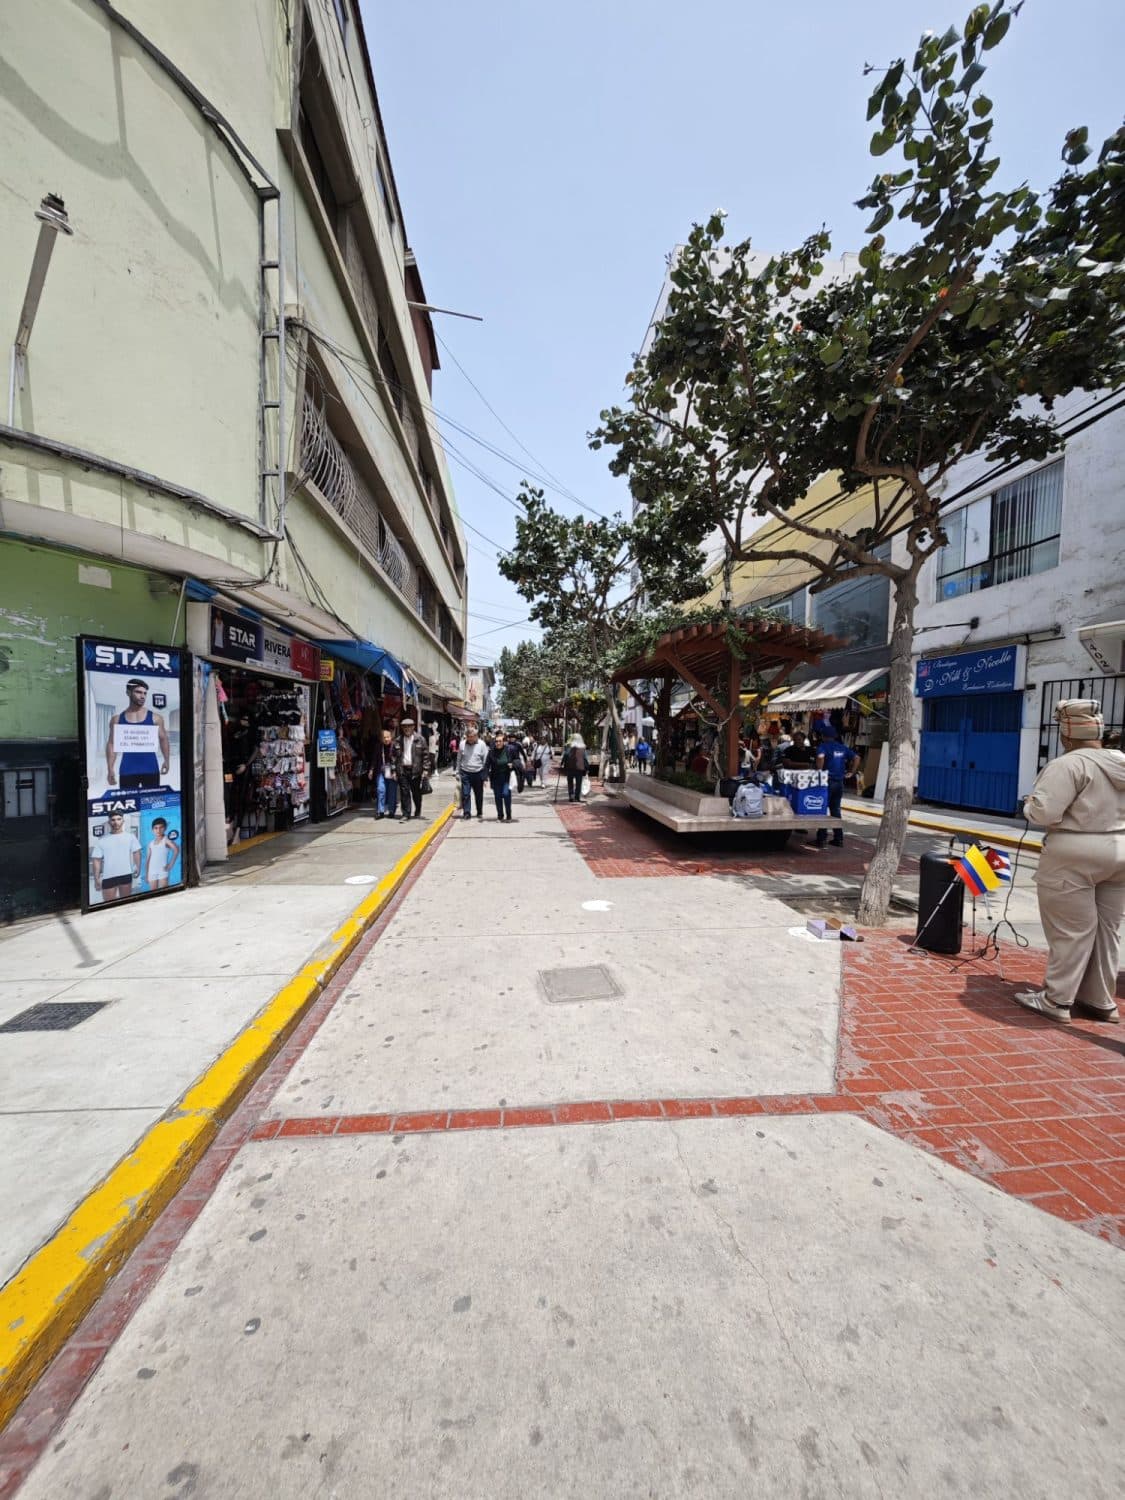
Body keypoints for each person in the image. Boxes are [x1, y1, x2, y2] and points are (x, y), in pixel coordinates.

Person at [1013, 700, 1125, 1025]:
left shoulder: (1068, 765)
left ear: (1066, 735)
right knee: (1108, 931)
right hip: (1119, 850)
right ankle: (1100, 1000)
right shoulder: (1121, 761)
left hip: (1075, 852)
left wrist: (1030, 805)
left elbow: (1045, 813)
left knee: (1071, 930)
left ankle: (1056, 999)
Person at [106, 678, 170, 791]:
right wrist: (110, 768)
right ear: (128, 693)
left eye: (145, 693)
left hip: (151, 769)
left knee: (151, 800)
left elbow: (163, 739)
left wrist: (167, 760)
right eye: (138, 692)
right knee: (128, 801)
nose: (142, 696)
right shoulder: (117, 720)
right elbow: (111, 744)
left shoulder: (156, 718)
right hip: (127, 770)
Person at [814, 731, 860, 849]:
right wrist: (852, 772)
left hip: (827, 781)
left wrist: (819, 771)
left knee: (822, 809)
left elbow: (820, 757)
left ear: (823, 736)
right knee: (835, 810)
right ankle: (838, 838)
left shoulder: (823, 746)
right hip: (839, 782)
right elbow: (857, 758)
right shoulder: (842, 747)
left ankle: (821, 839)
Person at [91, 811, 141, 901]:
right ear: (109, 822)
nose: (116, 822)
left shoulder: (130, 837)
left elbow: (136, 852)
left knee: (126, 903)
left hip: (126, 874)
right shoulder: (102, 840)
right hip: (109, 877)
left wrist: (138, 867)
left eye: (118, 819)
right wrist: (96, 879)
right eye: (113, 820)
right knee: (109, 905)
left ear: (123, 821)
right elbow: (96, 860)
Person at [394, 717, 432, 822]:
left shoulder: (420, 739)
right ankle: (406, 814)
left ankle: (418, 809)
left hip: (416, 770)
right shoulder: (398, 740)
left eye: (409, 726)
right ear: (402, 728)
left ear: (413, 727)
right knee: (404, 792)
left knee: (416, 793)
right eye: (404, 727)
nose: (407, 729)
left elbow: (426, 755)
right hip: (402, 770)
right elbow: (394, 756)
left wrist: (426, 769)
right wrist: (394, 770)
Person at [457, 725, 489, 820]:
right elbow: (459, 759)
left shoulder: (482, 744)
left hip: (478, 773)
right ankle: (467, 813)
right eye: (469, 737)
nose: (470, 739)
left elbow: (485, 760)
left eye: (472, 737)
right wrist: (457, 772)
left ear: (476, 736)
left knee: (478, 794)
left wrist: (485, 776)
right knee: (465, 794)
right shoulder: (462, 744)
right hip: (465, 773)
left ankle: (479, 811)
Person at [369, 727, 398, 820]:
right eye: (384, 737)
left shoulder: (395, 746)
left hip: (392, 772)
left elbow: (398, 760)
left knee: (392, 792)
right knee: (381, 790)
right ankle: (380, 811)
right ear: (381, 738)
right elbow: (374, 759)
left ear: (391, 737)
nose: (386, 739)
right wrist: (371, 770)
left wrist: (396, 772)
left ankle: (391, 811)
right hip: (381, 771)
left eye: (388, 737)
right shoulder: (378, 747)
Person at [486, 729, 514, 821]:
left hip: (506, 777)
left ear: (503, 742)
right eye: (496, 741)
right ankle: (500, 815)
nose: (498, 743)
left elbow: (516, 760)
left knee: (506, 794)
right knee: (497, 797)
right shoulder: (491, 752)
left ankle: (508, 814)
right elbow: (487, 765)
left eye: (500, 741)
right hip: (495, 778)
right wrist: (484, 778)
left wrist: (512, 765)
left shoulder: (509, 750)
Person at [144, 816, 180, 889]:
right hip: (151, 871)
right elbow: (148, 860)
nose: (158, 830)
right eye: (156, 828)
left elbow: (176, 850)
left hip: (162, 871)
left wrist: (170, 865)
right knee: (153, 892)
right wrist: (147, 874)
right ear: (152, 830)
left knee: (163, 892)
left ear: (165, 828)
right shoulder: (151, 843)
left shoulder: (166, 840)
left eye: (161, 827)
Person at [562, 734, 589, 803]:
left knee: (570, 783)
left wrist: (562, 763)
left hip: (570, 767)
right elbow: (585, 758)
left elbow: (565, 755)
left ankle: (571, 796)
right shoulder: (583, 747)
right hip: (579, 768)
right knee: (578, 783)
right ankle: (577, 797)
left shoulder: (569, 746)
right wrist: (587, 768)